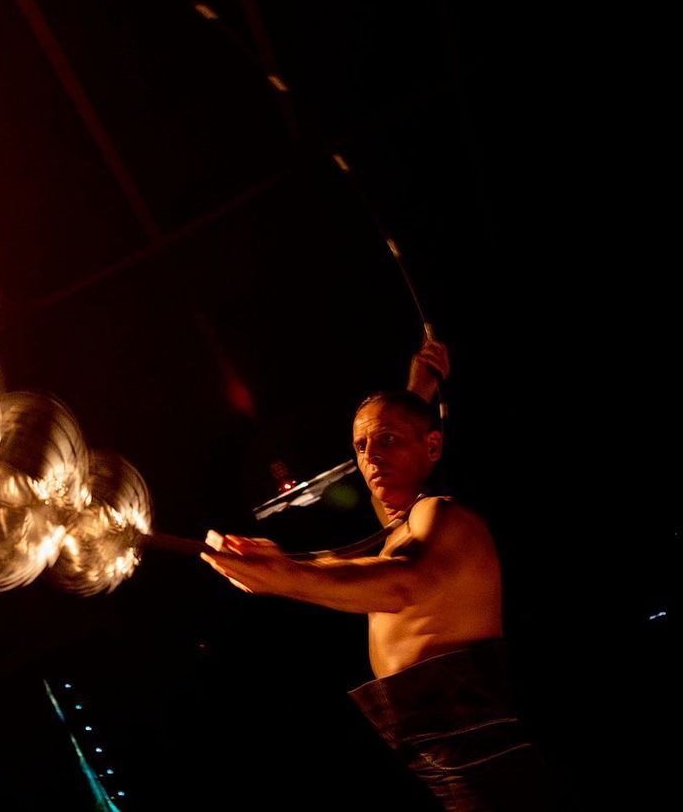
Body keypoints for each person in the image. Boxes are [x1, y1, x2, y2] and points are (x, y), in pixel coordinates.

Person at [202, 337, 559, 810]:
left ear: (433, 445)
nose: (369, 456)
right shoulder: (400, 528)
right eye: (361, 444)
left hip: (486, 764)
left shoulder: (445, 517)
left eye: (387, 439)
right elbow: (371, 539)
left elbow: (399, 583)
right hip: (435, 759)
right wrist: (419, 389)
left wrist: (283, 577)